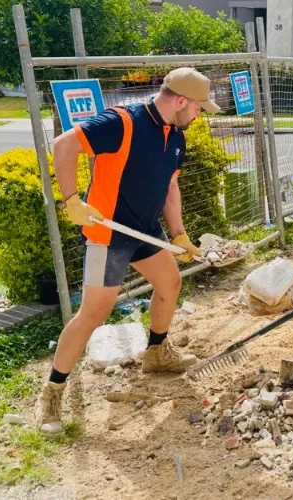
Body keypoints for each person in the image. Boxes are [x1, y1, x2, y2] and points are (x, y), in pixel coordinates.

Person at [34, 67, 220, 436]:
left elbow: (169, 189)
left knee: (169, 285)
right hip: (109, 232)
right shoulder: (123, 122)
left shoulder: (176, 135)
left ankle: (156, 353)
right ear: (180, 101)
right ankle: (51, 392)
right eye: (199, 108)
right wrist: (71, 199)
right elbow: (63, 145)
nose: (200, 115)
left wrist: (179, 235)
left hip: (146, 230)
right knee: (93, 314)